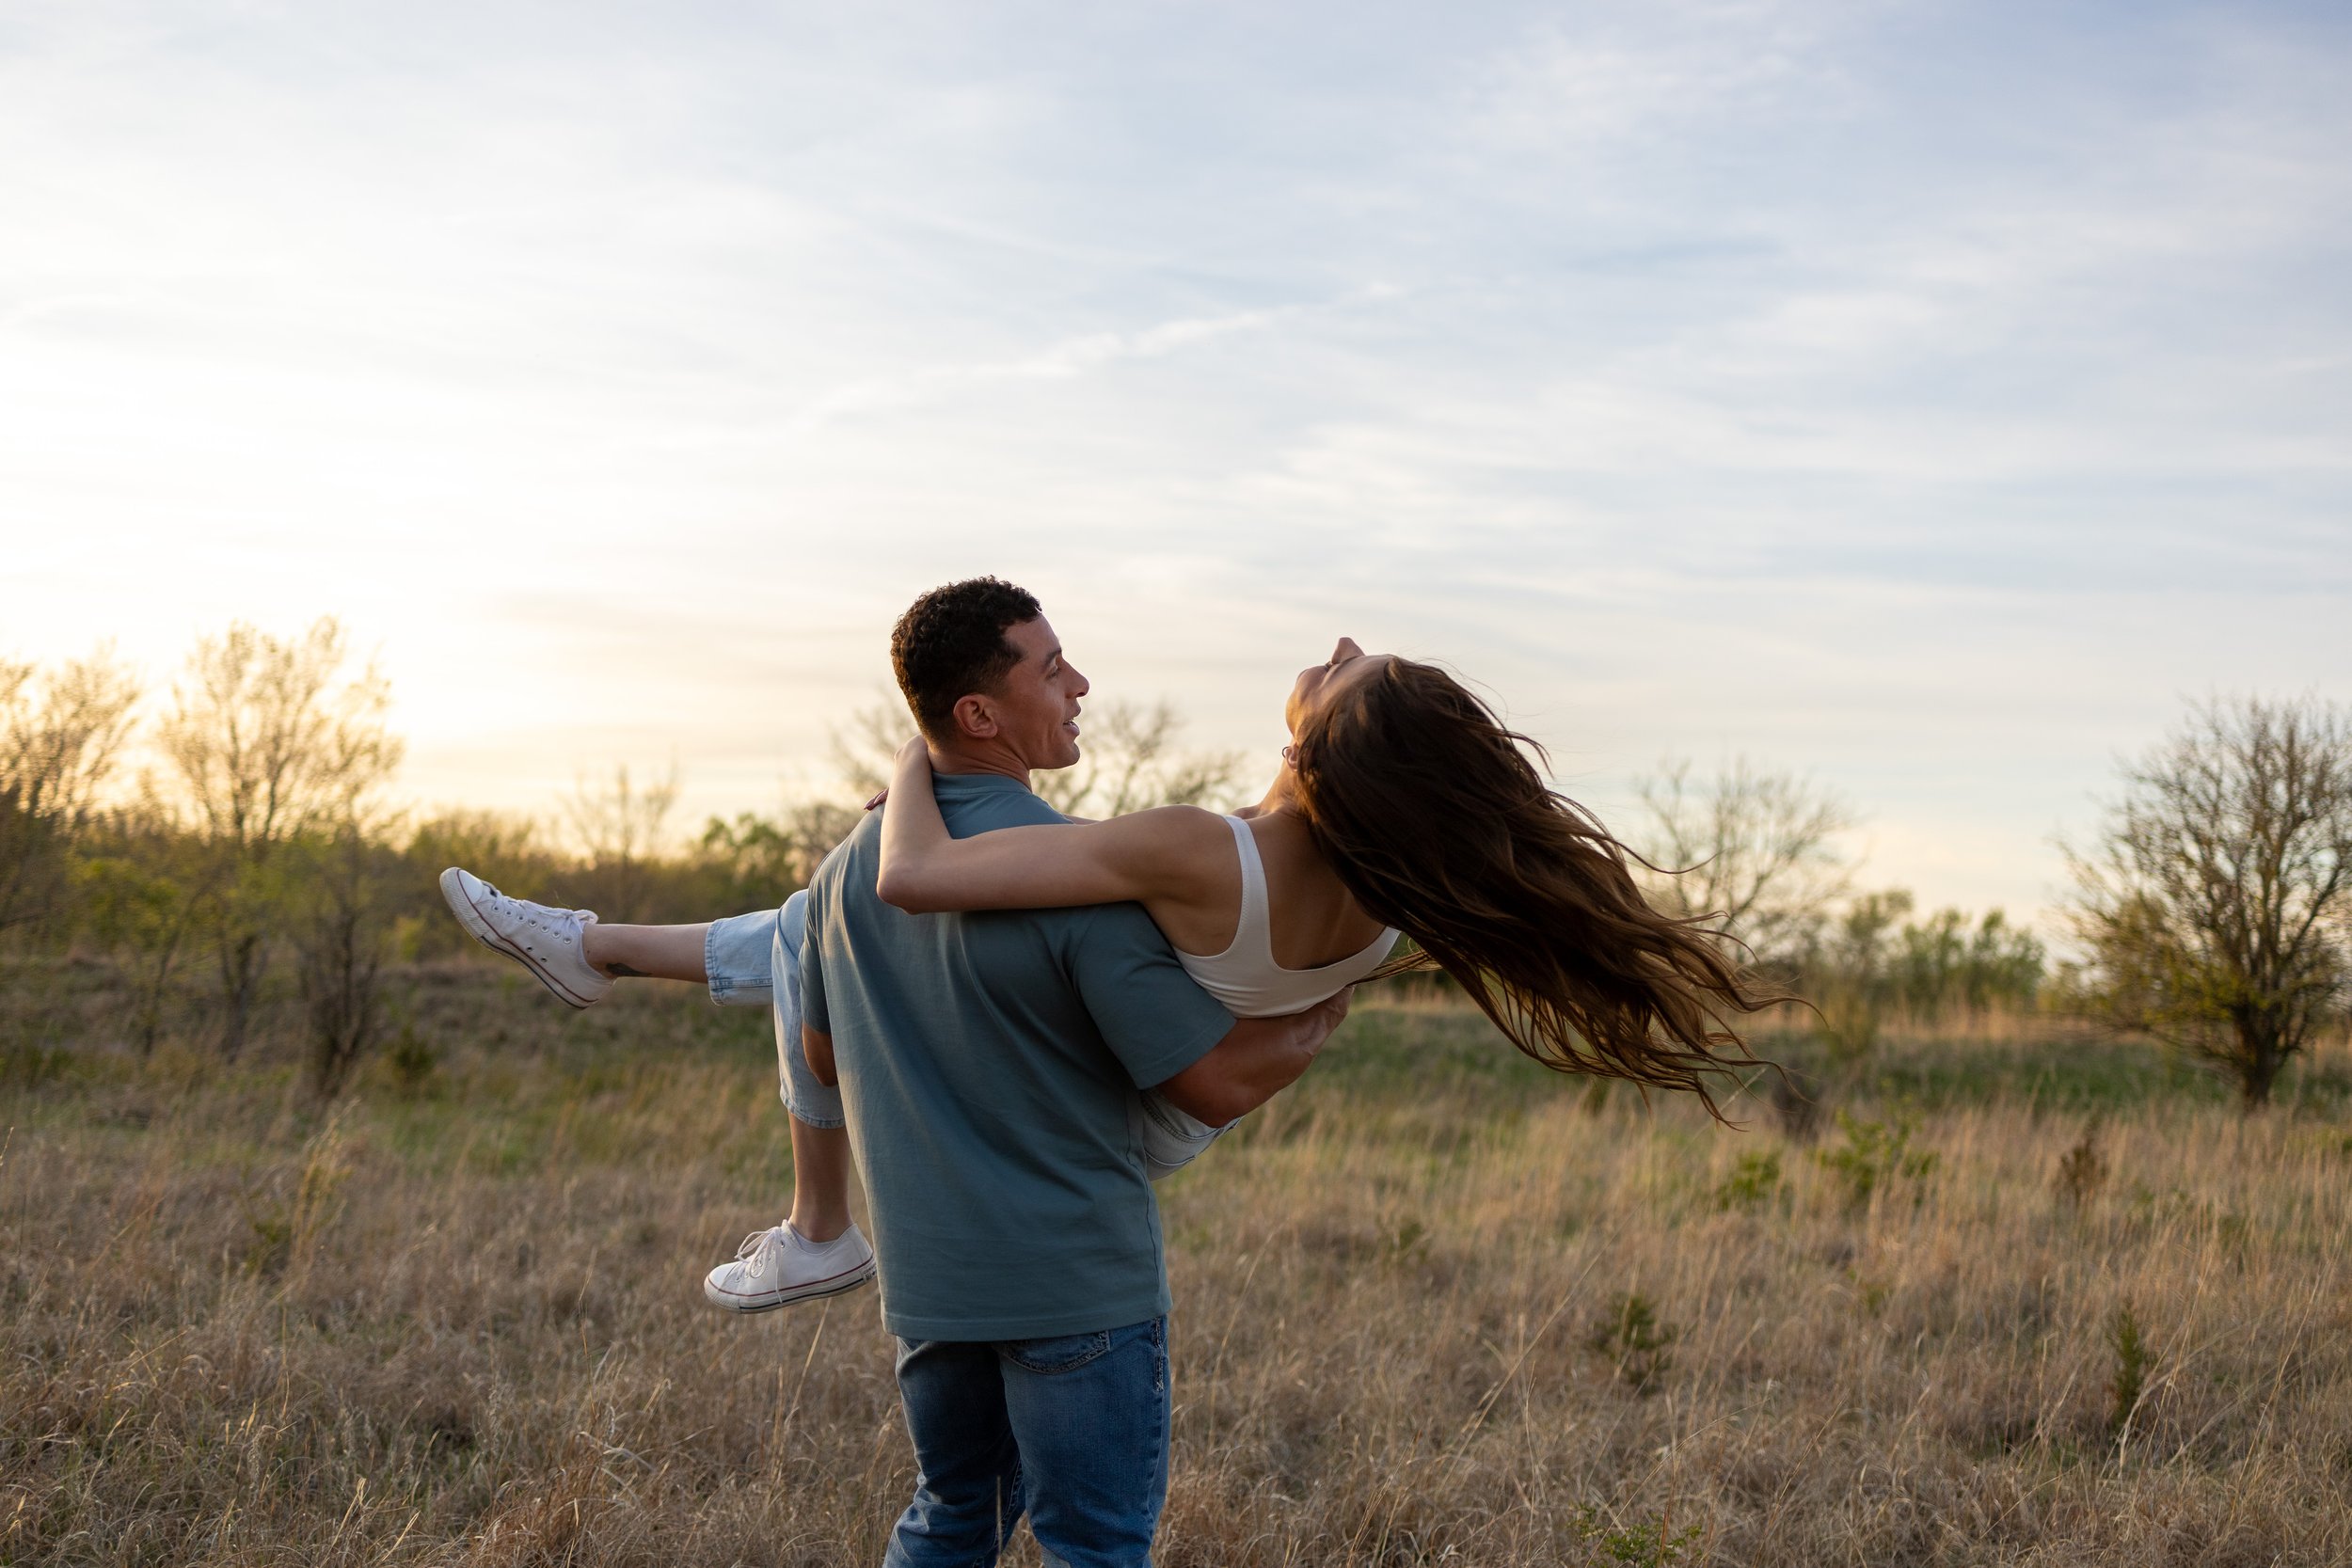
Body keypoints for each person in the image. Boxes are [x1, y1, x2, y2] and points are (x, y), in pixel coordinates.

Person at [444, 577, 1354, 1566]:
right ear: (980, 714)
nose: (1079, 683)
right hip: (1073, 1285)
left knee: (951, 1517)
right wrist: (1320, 1014)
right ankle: (600, 949)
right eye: (1053, 669)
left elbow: (823, 1055)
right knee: (1095, 1544)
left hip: (934, 1290)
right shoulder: (1086, 877)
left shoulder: (844, 870)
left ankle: (600, 951)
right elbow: (1206, 1080)